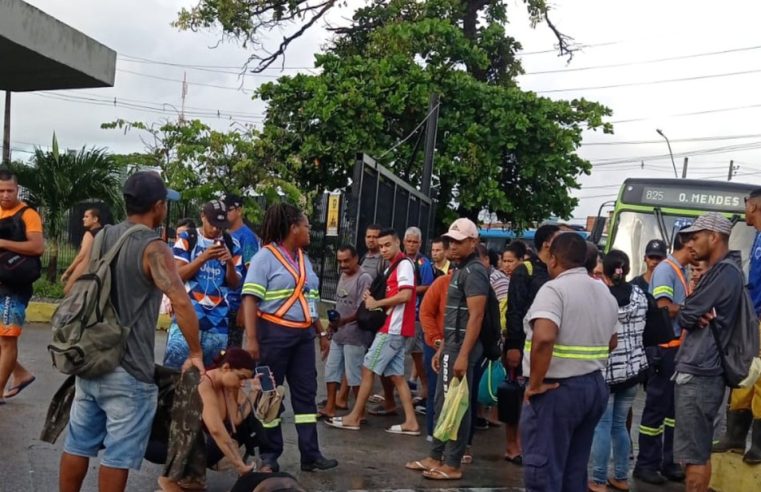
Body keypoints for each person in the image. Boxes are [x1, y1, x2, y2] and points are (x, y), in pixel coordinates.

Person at [58, 171, 204, 492]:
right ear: (158, 206)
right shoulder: (154, 248)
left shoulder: (103, 236)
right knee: (118, 455)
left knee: (78, 444)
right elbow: (180, 302)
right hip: (129, 369)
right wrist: (195, 353)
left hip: (91, 360)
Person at [520, 232, 619, 492]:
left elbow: (543, 338)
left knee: (543, 470)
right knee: (573, 471)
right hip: (594, 388)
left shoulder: (554, 290)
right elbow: (612, 343)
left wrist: (535, 384)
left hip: (557, 391)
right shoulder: (603, 292)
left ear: (553, 259)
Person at [241, 202, 336, 473]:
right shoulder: (265, 258)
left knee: (306, 395)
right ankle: (269, 455)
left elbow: (310, 300)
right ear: (293, 228)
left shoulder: (304, 259)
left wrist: (320, 332)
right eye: (306, 226)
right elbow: (250, 299)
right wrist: (252, 338)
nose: (309, 231)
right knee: (270, 395)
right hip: (273, 334)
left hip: (304, 336)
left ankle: (311, 454)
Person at [405, 218, 488, 481]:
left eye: (459, 241)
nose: (452, 246)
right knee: (442, 403)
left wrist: (462, 355)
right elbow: (453, 316)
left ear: (473, 242)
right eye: (450, 240)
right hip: (451, 348)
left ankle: (452, 463)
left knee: (457, 407)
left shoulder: (474, 272)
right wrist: (443, 349)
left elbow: (476, 317)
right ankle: (436, 456)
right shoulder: (460, 270)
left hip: (462, 350)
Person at [324, 228, 419, 436]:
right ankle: (411, 421)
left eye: (387, 245)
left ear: (397, 244)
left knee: (367, 369)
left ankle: (355, 416)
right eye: (381, 246)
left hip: (392, 328)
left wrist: (377, 302)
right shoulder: (392, 266)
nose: (383, 249)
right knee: (397, 376)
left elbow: (405, 296)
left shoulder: (403, 265)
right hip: (395, 328)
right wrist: (372, 296)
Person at [673, 213, 744, 491]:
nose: (690, 243)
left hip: (701, 373)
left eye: (695, 236)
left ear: (713, 237)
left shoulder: (723, 272)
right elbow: (692, 312)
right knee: (697, 452)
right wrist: (694, 309)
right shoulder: (725, 271)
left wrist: (692, 309)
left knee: (694, 457)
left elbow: (687, 314)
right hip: (703, 372)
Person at [154, 348, 262, 492]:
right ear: (226, 368)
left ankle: (187, 480)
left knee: (232, 435)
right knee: (207, 435)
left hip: (189, 445)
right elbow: (216, 430)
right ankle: (170, 479)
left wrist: (254, 391)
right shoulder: (203, 383)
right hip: (161, 443)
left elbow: (236, 420)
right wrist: (240, 465)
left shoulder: (226, 385)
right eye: (241, 378)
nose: (242, 384)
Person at [634, 229, 692, 485]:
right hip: (665, 350)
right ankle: (646, 464)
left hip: (676, 349)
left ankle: (667, 462)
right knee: (656, 409)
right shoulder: (667, 270)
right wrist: (693, 309)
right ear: (688, 245)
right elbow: (663, 306)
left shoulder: (680, 270)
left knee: (671, 411)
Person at [589, 250, 649, 492]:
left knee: (602, 425)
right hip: (634, 369)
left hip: (607, 372)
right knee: (619, 425)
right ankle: (622, 477)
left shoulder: (601, 298)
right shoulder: (640, 295)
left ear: (604, 270)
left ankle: (599, 479)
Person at [502, 224, 560, 463]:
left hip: (547, 347)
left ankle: (531, 444)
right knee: (515, 396)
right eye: (559, 236)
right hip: (522, 344)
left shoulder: (557, 271)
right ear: (547, 242)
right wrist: (513, 346)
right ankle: (512, 446)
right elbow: (514, 310)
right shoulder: (525, 270)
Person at [165, 200, 244, 368]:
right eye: (213, 223)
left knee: (209, 377)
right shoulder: (188, 238)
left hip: (218, 325)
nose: (216, 229)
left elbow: (235, 284)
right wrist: (202, 258)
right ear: (202, 216)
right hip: (186, 320)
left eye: (220, 225)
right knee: (174, 374)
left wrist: (230, 263)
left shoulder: (232, 244)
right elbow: (176, 277)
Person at [713, 189, 761, 464]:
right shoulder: (757, 236)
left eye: (746, 205)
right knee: (744, 375)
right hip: (751, 316)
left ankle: (758, 444)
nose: (745, 210)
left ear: (753, 205)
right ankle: (734, 436)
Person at [0, 169, 43, 403]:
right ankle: (20, 374)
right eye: (1, 191)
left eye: (10, 190)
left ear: (17, 190)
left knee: (7, 339)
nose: (5, 195)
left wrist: (3, 242)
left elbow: (37, 247)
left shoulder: (28, 214)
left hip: (14, 287)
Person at [320, 245, 373, 418]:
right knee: (331, 370)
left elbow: (362, 309)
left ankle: (359, 412)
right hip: (339, 334)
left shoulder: (364, 278)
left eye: (346, 260)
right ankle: (330, 407)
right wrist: (333, 324)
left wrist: (344, 321)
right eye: (340, 261)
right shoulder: (342, 276)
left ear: (356, 258)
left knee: (354, 374)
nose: (342, 265)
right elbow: (339, 304)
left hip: (355, 335)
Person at [419, 239, 454, 440]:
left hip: (458, 346)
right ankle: (433, 431)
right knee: (435, 388)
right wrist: (436, 340)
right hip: (437, 344)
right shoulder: (441, 282)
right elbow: (426, 312)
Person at [403, 226, 435, 409]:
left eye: (415, 241)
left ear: (420, 243)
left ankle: (393, 392)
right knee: (417, 355)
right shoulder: (401, 259)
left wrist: (409, 290)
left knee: (401, 353)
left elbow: (429, 286)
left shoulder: (423, 263)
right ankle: (426, 388)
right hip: (403, 312)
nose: (412, 244)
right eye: (409, 241)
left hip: (415, 314)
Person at [224, 195, 261, 349]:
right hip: (220, 304)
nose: (224, 214)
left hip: (235, 305)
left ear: (239, 210)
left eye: (228, 210)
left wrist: (243, 306)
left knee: (231, 355)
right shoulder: (223, 234)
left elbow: (252, 274)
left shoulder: (247, 237)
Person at [61, 208, 103, 285]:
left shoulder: (89, 234)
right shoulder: (104, 233)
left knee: (68, 290)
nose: (83, 219)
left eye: (86, 217)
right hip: (101, 270)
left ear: (95, 219)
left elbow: (81, 256)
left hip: (87, 269)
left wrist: (68, 272)